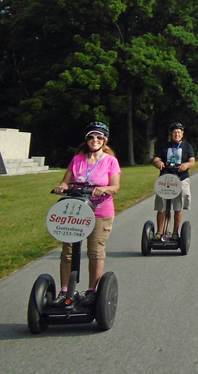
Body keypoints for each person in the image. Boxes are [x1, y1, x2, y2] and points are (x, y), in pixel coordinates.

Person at [52, 121, 121, 305]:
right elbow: (66, 182)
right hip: (76, 212)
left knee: (95, 251)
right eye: (91, 136)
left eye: (99, 137)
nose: (95, 140)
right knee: (67, 252)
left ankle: (91, 291)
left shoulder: (110, 161)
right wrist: (61, 188)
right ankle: (65, 291)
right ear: (87, 139)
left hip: (100, 212)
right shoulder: (77, 159)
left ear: (104, 140)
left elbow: (115, 187)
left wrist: (103, 189)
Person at [152, 122, 195, 241]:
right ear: (171, 134)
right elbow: (156, 158)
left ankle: (175, 232)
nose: (177, 134)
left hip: (181, 178)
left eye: (179, 132)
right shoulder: (164, 146)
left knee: (178, 205)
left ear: (182, 134)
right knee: (162, 205)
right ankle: (159, 231)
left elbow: (192, 161)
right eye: (174, 132)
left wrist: (186, 165)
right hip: (165, 178)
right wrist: (158, 162)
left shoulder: (187, 147)